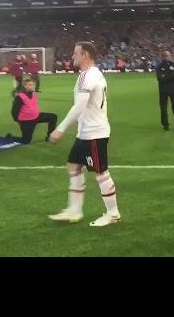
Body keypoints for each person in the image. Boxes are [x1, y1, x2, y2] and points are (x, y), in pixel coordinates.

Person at [48, 41, 120, 227]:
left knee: (100, 172)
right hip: (86, 133)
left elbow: (79, 106)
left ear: (85, 54)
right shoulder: (94, 74)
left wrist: (60, 128)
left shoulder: (87, 76)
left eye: (76, 53)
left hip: (94, 133)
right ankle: (75, 210)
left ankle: (113, 214)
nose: (73, 56)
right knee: (73, 166)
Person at [5, 78, 57, 144]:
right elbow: (14, 110)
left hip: (36, 116)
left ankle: (49, 136)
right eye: (30, 85)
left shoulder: (34, 94)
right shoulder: (20, 97)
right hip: (27, 120)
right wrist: (17, 120)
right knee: (26, 141)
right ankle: (10, 137)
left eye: (33, 85)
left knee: (53, 117)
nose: (33, 86)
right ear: (25, 86)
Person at [156, 51, 174, 131]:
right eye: (167, 56)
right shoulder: (159, 67)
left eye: (169, 55)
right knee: (163, 108)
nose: (169, 57)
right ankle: (165, 125)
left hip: (173, 89)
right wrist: (171, 76)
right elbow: (160, 78)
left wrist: (166, 77)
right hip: (163, 90)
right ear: (164, 57)